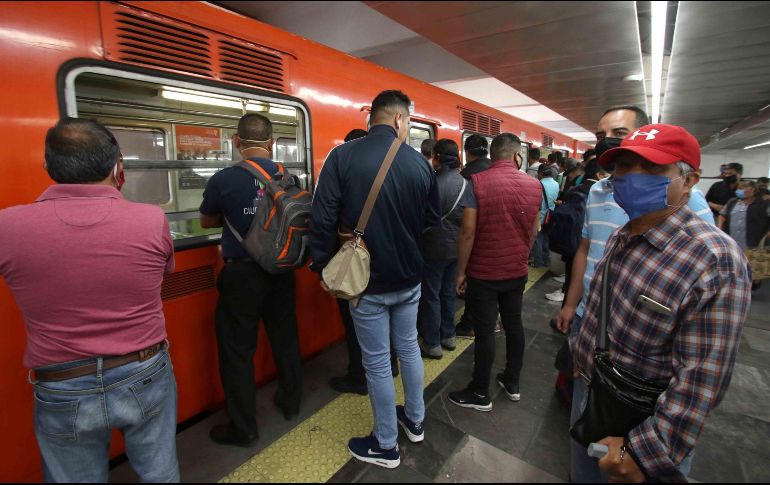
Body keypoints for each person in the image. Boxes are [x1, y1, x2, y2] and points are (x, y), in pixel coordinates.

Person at [0, 118, 178, 482]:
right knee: (159, 472)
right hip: (143, 370)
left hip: (62, 381)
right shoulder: (151, 218)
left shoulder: (8, 225)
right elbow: (162, 275)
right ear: (117, 166)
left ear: (49, 168)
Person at [570, 123, 751, 482]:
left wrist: (645, 451)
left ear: (689, 180)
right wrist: (579, 354)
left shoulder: (714, 258)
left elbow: (702, 374)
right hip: (593, 391)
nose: (633, 178)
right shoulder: (628, 233)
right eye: (624, 167)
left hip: (642, 423)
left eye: (653, 168)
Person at [309, 90, 440, 468]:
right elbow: (431, 222)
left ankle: (385, 445)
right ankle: (415, 421)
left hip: (365, 282)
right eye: (409, 122)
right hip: (410, 278)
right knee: (409, 349)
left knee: (379, 363)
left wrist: (321, 266)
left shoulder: (342, 156)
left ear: (375, 117)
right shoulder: (419, 164)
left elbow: (322, 217)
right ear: (400, 119)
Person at [201, 113, 303, 447]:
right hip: (282, 267)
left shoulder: (224, 179)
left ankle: (243, 427)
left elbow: (206, 221)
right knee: (285, 338)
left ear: (236, 141)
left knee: (237, 351)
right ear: (272, 142)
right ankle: (291, 402)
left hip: (242, 274)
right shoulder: (288, 177)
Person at [447, 133, 542, 411]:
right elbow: (534, 229)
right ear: (517, 156)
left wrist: (461, 272)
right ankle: (511, 382)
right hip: (516, 270)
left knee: (485, 330)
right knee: (514, 324)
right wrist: (522, 255)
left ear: (493, 155)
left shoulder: (477, 183)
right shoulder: (534, 185)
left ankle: (479, 391)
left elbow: (467, 231)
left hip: (484, 273)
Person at [329, 129, 399, 396]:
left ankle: (359, 376)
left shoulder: (345, 181)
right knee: (387, 319)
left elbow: (329, 221)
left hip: (356, 264)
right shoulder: (393, 178)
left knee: (355, 321)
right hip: (389, 262)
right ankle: (390, 364)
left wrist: (321, 264)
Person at [418, 139, 466, 359]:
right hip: (457, 248)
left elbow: (423, 217)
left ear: (437, 157)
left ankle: (432, 342)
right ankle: (449, 335)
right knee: (448, 292)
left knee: (431, 295)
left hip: (433, 248)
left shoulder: (433, 183)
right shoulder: (466, 183)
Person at [455, 134, 493, 339]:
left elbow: (466, 222)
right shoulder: (493, 168)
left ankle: (469, 324)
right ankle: (490, 320)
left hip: (473, 234)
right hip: (491, 235)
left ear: (467, 152)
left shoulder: (467, 174)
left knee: (471, 280)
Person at [718, 179, 770, 252]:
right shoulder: (732, 201)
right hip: (732, 243)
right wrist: (719, 228)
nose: (739, 191)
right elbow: (722, 214)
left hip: (754, 246)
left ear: (753, 190)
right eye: (738, 188)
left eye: (742, 188)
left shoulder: (764, 203)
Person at [532, 163, 559, 269]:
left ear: (541, 173)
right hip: (551, 216)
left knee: (538, 239)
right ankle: (547, 260)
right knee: (546, 239)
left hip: (540, 216)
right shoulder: (556, 184)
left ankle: (538, 262)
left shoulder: (538, 184)